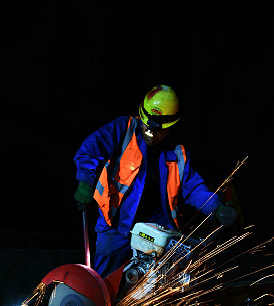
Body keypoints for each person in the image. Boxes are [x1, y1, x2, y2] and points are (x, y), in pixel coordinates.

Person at [73, 85, 237, 278]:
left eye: (157, 130)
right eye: (147, 126)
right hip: (116, 224)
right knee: (105, 281)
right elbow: (91, 148)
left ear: (170, 127)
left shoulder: (177, 153)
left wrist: (216, 208)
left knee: (164, 280)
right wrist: (85, 180)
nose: (150, 132)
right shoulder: (124, 129)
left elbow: (193, 188)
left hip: (157, 229)